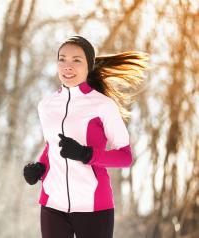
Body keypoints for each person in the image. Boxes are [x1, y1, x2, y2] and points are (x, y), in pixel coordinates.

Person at [23, 36, 148, 238]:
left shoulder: (103, 106)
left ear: (89, 65)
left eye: (76, 60)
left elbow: (125, 157)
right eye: (62, 59)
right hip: (52, 204)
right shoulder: (46, 105)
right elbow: (51, 148)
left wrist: (86, 154)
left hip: (94, 207)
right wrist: (39, 168)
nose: (67, 66)